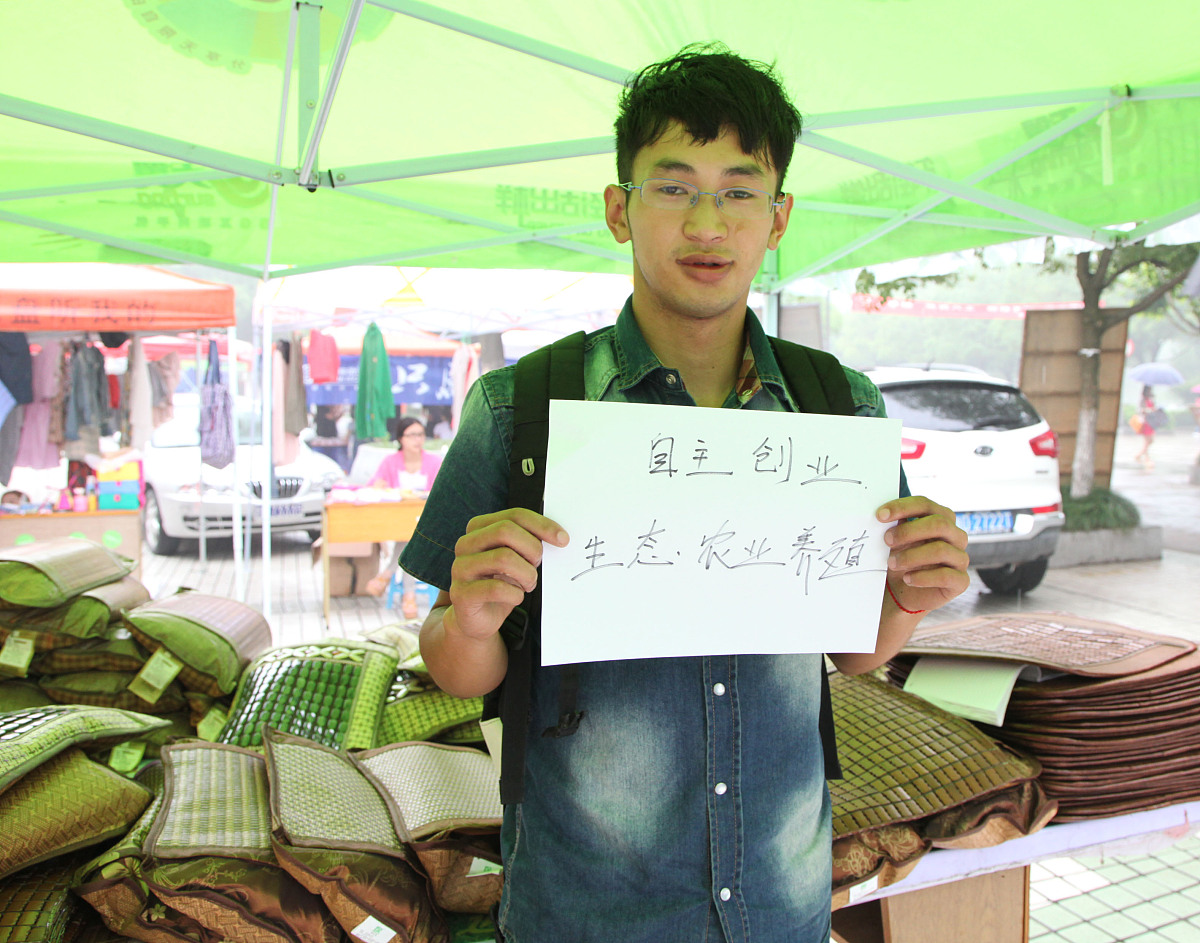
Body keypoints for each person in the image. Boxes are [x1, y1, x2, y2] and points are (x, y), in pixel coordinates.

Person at [401, 44, 969, 943]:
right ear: (620, 210)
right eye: (674, 187)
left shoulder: (836, 407)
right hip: (584, 910)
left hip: (779, 903)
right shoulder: (522, 408)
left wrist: (907, 595)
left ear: (778, 218)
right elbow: (453, 660)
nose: (708, 221)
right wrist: (469, 618)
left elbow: (857, 654)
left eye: (740, 190)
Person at [365, 416, 443, 617]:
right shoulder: (390, 462)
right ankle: (409, 595)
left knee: (412, 535)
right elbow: (374, 484)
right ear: (400, 438)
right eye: (412, 435)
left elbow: (441, 491)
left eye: (420, 434)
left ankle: (387, 574)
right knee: (408, 535)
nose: (417, 439)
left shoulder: (434, 462)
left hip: (428, 524)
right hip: (398, 521)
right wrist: (378, 486)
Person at [1134, 384, 1156, 469]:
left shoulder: (1150, 399)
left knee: (1150, 441)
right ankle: (1143, 457)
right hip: (1145, 422)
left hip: (1150, 422)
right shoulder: (1142, 400)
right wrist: (1148, 410)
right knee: (1148, 441)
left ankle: (1143, 456)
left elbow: (1153, 407)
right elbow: (1140, 410)